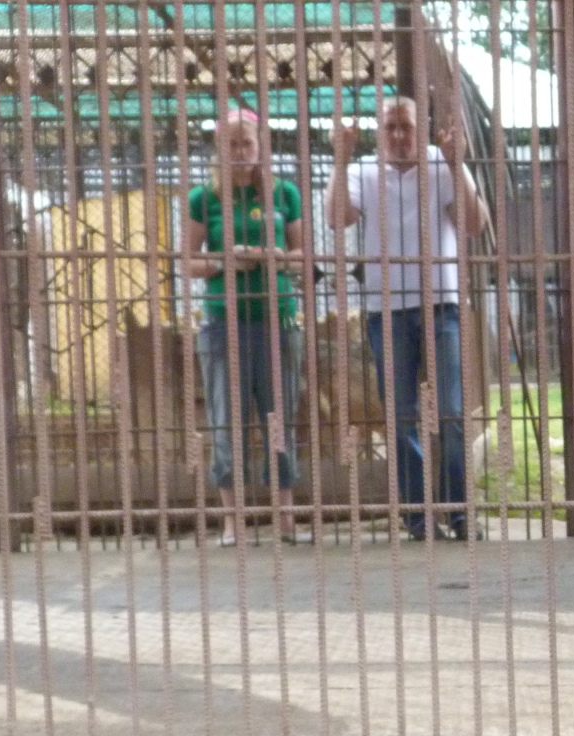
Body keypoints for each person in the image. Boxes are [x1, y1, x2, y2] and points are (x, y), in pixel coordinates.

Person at [327, 96, 490, 542]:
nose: (399, 136)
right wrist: (340, 160)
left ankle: (459, 511)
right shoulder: (363, 169)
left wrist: (457, 164)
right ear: (379, 132)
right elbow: (337, 218)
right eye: (390, 127)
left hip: (442, 303)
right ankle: (418, 514)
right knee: (400, 416)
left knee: (452, 412)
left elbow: (474, 225)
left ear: (422, 129)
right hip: (386, 309)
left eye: (407, 127)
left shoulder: (442, 163)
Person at [181, 107, 306, 545]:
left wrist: (276, 258)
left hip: (277, 317)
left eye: (247, 143)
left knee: (280, 419)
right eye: (231, 144)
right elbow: (188, 261)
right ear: (219, 149)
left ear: (260, 146)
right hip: (224, 321)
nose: (239, 151)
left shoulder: (284, 193)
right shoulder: (203, 198)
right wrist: (224, 261)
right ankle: (233, 520)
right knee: (226, 420)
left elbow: (303, 256)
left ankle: (284, 515)